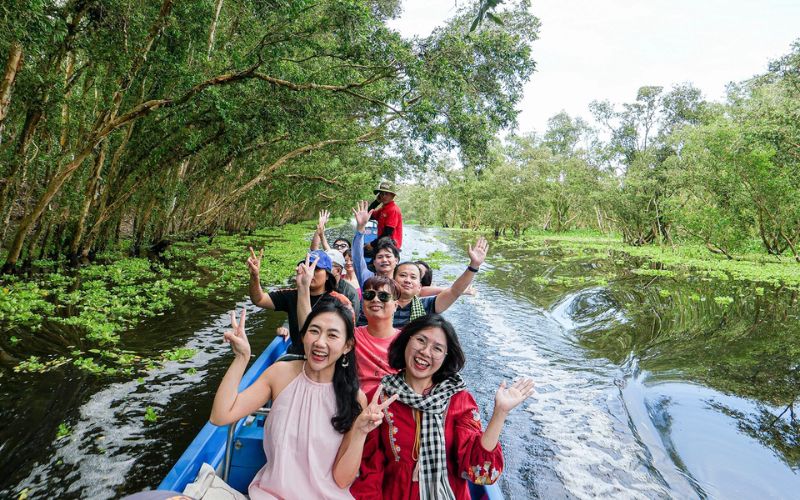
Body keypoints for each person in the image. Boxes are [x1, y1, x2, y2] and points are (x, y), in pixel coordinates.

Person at [348, 315, 535, 500]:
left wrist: (500, 413)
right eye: (421, 340)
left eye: (437, 348)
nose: (426, 352)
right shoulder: (379, 399)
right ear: (406, 341)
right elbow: (369, 472)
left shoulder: (459, 400)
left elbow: (480, 472)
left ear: (445, 358)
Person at [209, 298, 366, 498]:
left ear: (347, 346)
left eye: (332, 335)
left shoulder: (354, 398)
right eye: (314, 331)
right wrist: (241, 358)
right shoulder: (280, 374)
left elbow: (342, 480)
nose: (320, 342)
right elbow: (220, 416)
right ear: (303, 336)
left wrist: (361, 431)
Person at [356, 237, 488, 328]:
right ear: (393, 281)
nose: (407, 280)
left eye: (413, 277)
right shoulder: (376, 302)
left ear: (419, 286)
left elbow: (454, 291)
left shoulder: (427, 306)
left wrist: (473, 266)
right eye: (402, 275)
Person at [248, 247, 350, 355]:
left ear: (327, 276)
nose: (309, 272)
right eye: (307, 267)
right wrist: (255, 276)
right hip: (296, 355)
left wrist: (303, 287)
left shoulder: (338, 301)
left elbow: (310, 333)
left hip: (322, 356)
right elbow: (259, 299)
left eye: (316, 269)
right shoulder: (292, 295)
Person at [352, 201, 401, 288]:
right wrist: (360, 228)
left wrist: (373, 244)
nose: (384, 260)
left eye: (388, 256)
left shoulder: (402, 284)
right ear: (374, 262)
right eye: (380, 257)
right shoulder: (366, 277)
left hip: (387, 240)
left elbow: (388, 232)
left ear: (396, 260)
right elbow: (357, 256)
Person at [366, 181, 403, 251]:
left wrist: (372, 244)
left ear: (393, 196)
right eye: (382, 194)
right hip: (383, 242)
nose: (383, 196)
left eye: (386, 194)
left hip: (390, 246)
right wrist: (376, 202)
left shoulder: (393, 209)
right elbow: (368, 214)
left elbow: (387, 233)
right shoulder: (383, 209)